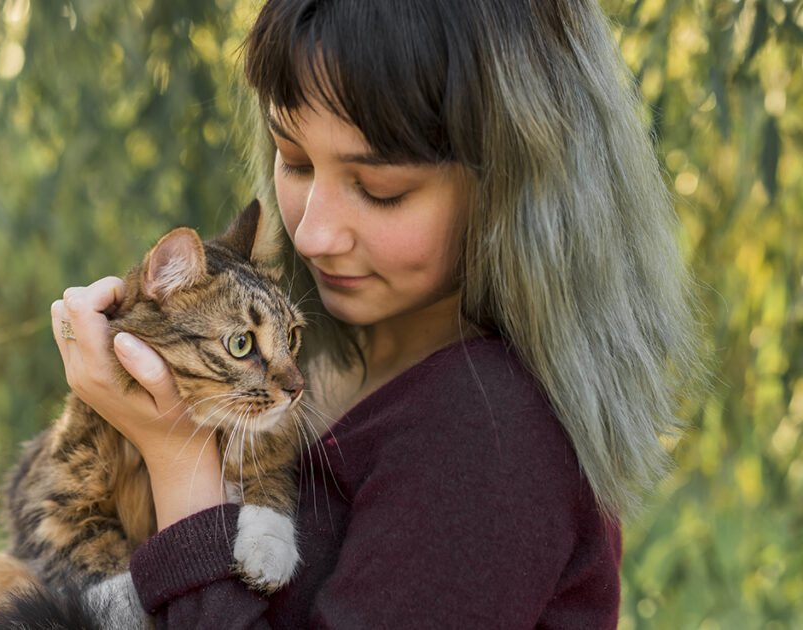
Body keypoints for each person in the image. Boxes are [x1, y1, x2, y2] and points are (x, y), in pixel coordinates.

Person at [50, 0, 702, 627]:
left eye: (381, 189)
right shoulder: (330, 346)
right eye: (294, 161)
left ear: (515, 187)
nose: (311, 234)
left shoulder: (493, 431)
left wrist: (177, 464)